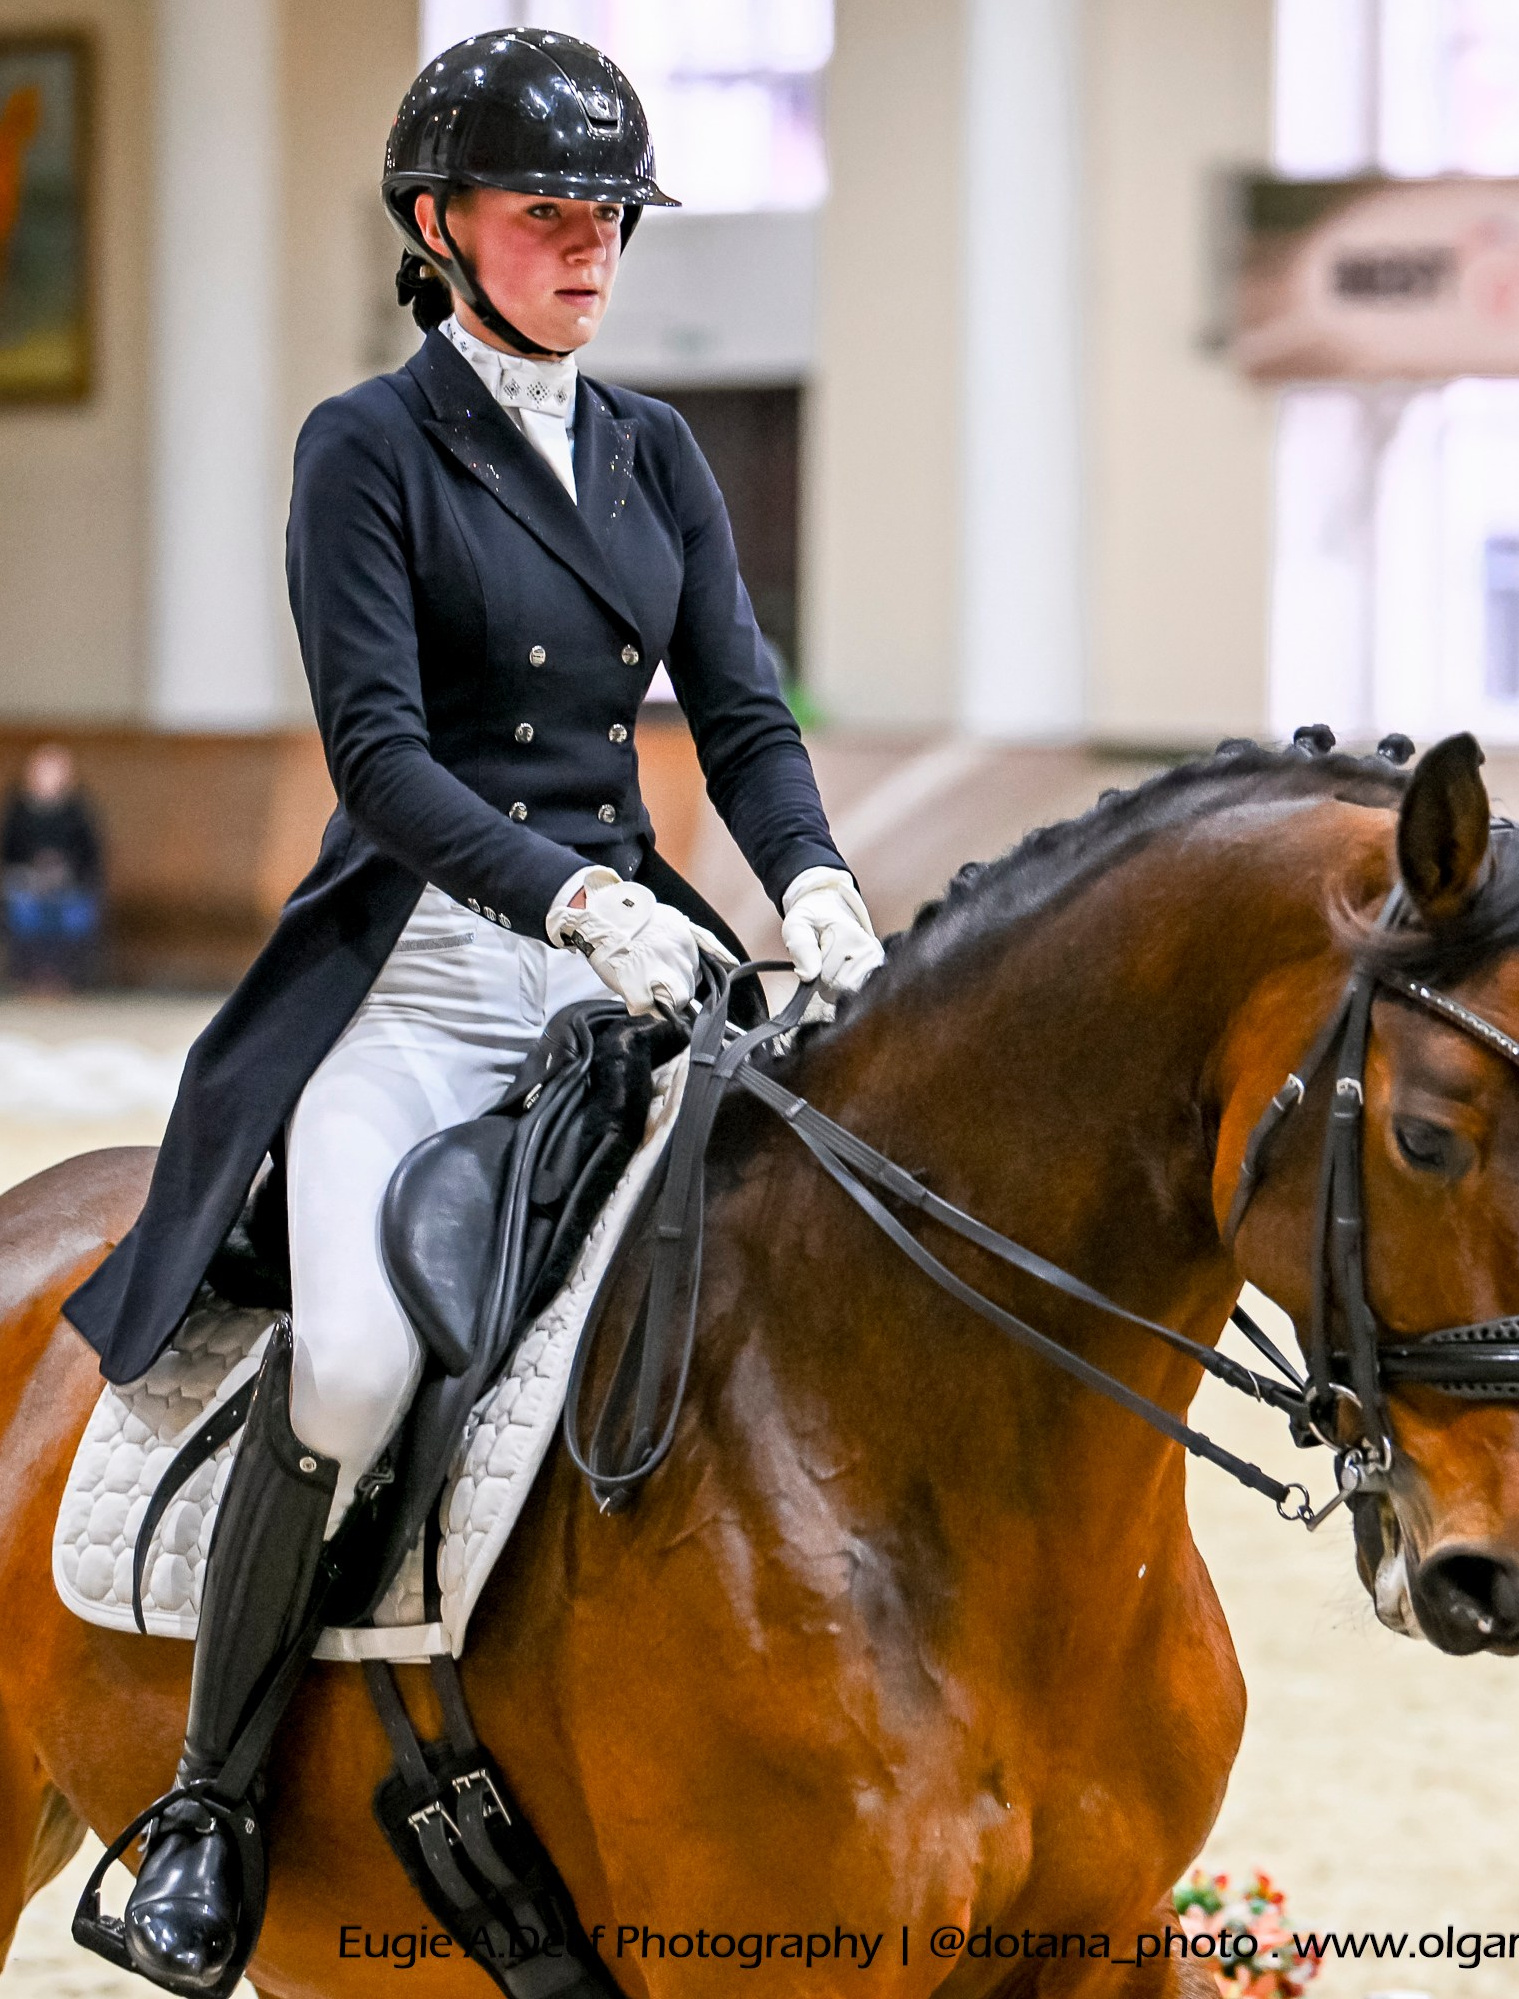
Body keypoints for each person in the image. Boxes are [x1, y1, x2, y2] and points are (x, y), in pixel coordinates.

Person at [59, 30, 884, 1992]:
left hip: (645, 969)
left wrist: (821, 886)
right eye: (549, 212)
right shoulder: (368, 444)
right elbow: (379, 757)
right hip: (422, 978)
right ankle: (210, 1799)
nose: (591, 245)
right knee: (351, 1363)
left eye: (610, 212)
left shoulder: (657, 453)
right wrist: (578, 894)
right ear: (441, 230)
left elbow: (746, 722)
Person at [0, 742, 104, 990]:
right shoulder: (18, 810)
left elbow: (90, 854)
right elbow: (8, 851)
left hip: (69, 884)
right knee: (24, 909)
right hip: (27, 883)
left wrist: (63, 870)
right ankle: (31, 979)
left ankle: (62, 981)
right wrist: (31, 870)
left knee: (72, 913)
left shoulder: (77, 810)